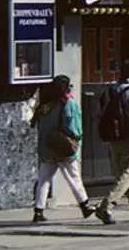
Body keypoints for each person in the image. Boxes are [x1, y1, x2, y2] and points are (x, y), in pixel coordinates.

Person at [93, 58, 129, 224]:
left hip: (114, 139)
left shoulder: (110, 91)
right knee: (126, 174)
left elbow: (100, 114)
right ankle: (106, 206)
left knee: (126, 173)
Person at [30, 76, 96, 223]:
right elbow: (73, 128)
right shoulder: (67, 103)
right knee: (73, 177)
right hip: (62, 147)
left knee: (44, 179)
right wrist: (76, 138)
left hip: (47, 148)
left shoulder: (45, 105)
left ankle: (38, 210)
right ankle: (85, 205)